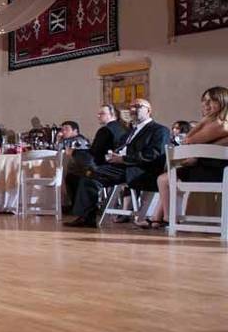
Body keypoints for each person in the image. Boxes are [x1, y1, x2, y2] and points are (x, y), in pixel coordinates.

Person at [65, 98, 169, 228]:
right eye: (130, 107)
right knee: (89, 174)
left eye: (137, 106)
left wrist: (123, 159)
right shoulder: (131, 131)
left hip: (141, 170)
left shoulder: (159, 130)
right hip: (122, 167)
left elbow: (153, 154)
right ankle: (86, 217)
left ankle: (86, 216)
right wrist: (113, 156)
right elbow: (121, 148)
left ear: (149, 110)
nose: (132, 110)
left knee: (91, 172)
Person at [138, 87, 228, 229]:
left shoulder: (219, 124)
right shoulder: (220, 123)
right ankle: (161, 218)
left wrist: (204, 120)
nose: (206, 104)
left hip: (214, 172)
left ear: (223, 101)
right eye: (204, 100)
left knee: (164, 178)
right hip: (213, 168)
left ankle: (168, 219)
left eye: (212, 100)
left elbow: (189, 140)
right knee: (167, 177)